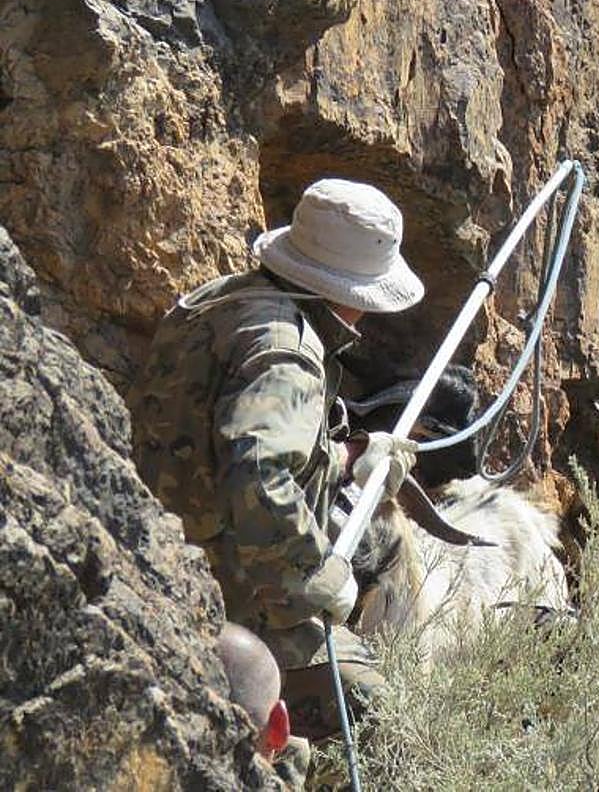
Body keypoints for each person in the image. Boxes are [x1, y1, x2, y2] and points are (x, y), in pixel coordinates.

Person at [130, 178, 423, 742]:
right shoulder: (289, 352)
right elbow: (257, 471)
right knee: (385, 721)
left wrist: (345, 458)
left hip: (157, 548)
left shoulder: (222, 299)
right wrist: (313, 576)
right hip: (229, 586)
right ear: (350, 292)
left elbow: (219, 437)